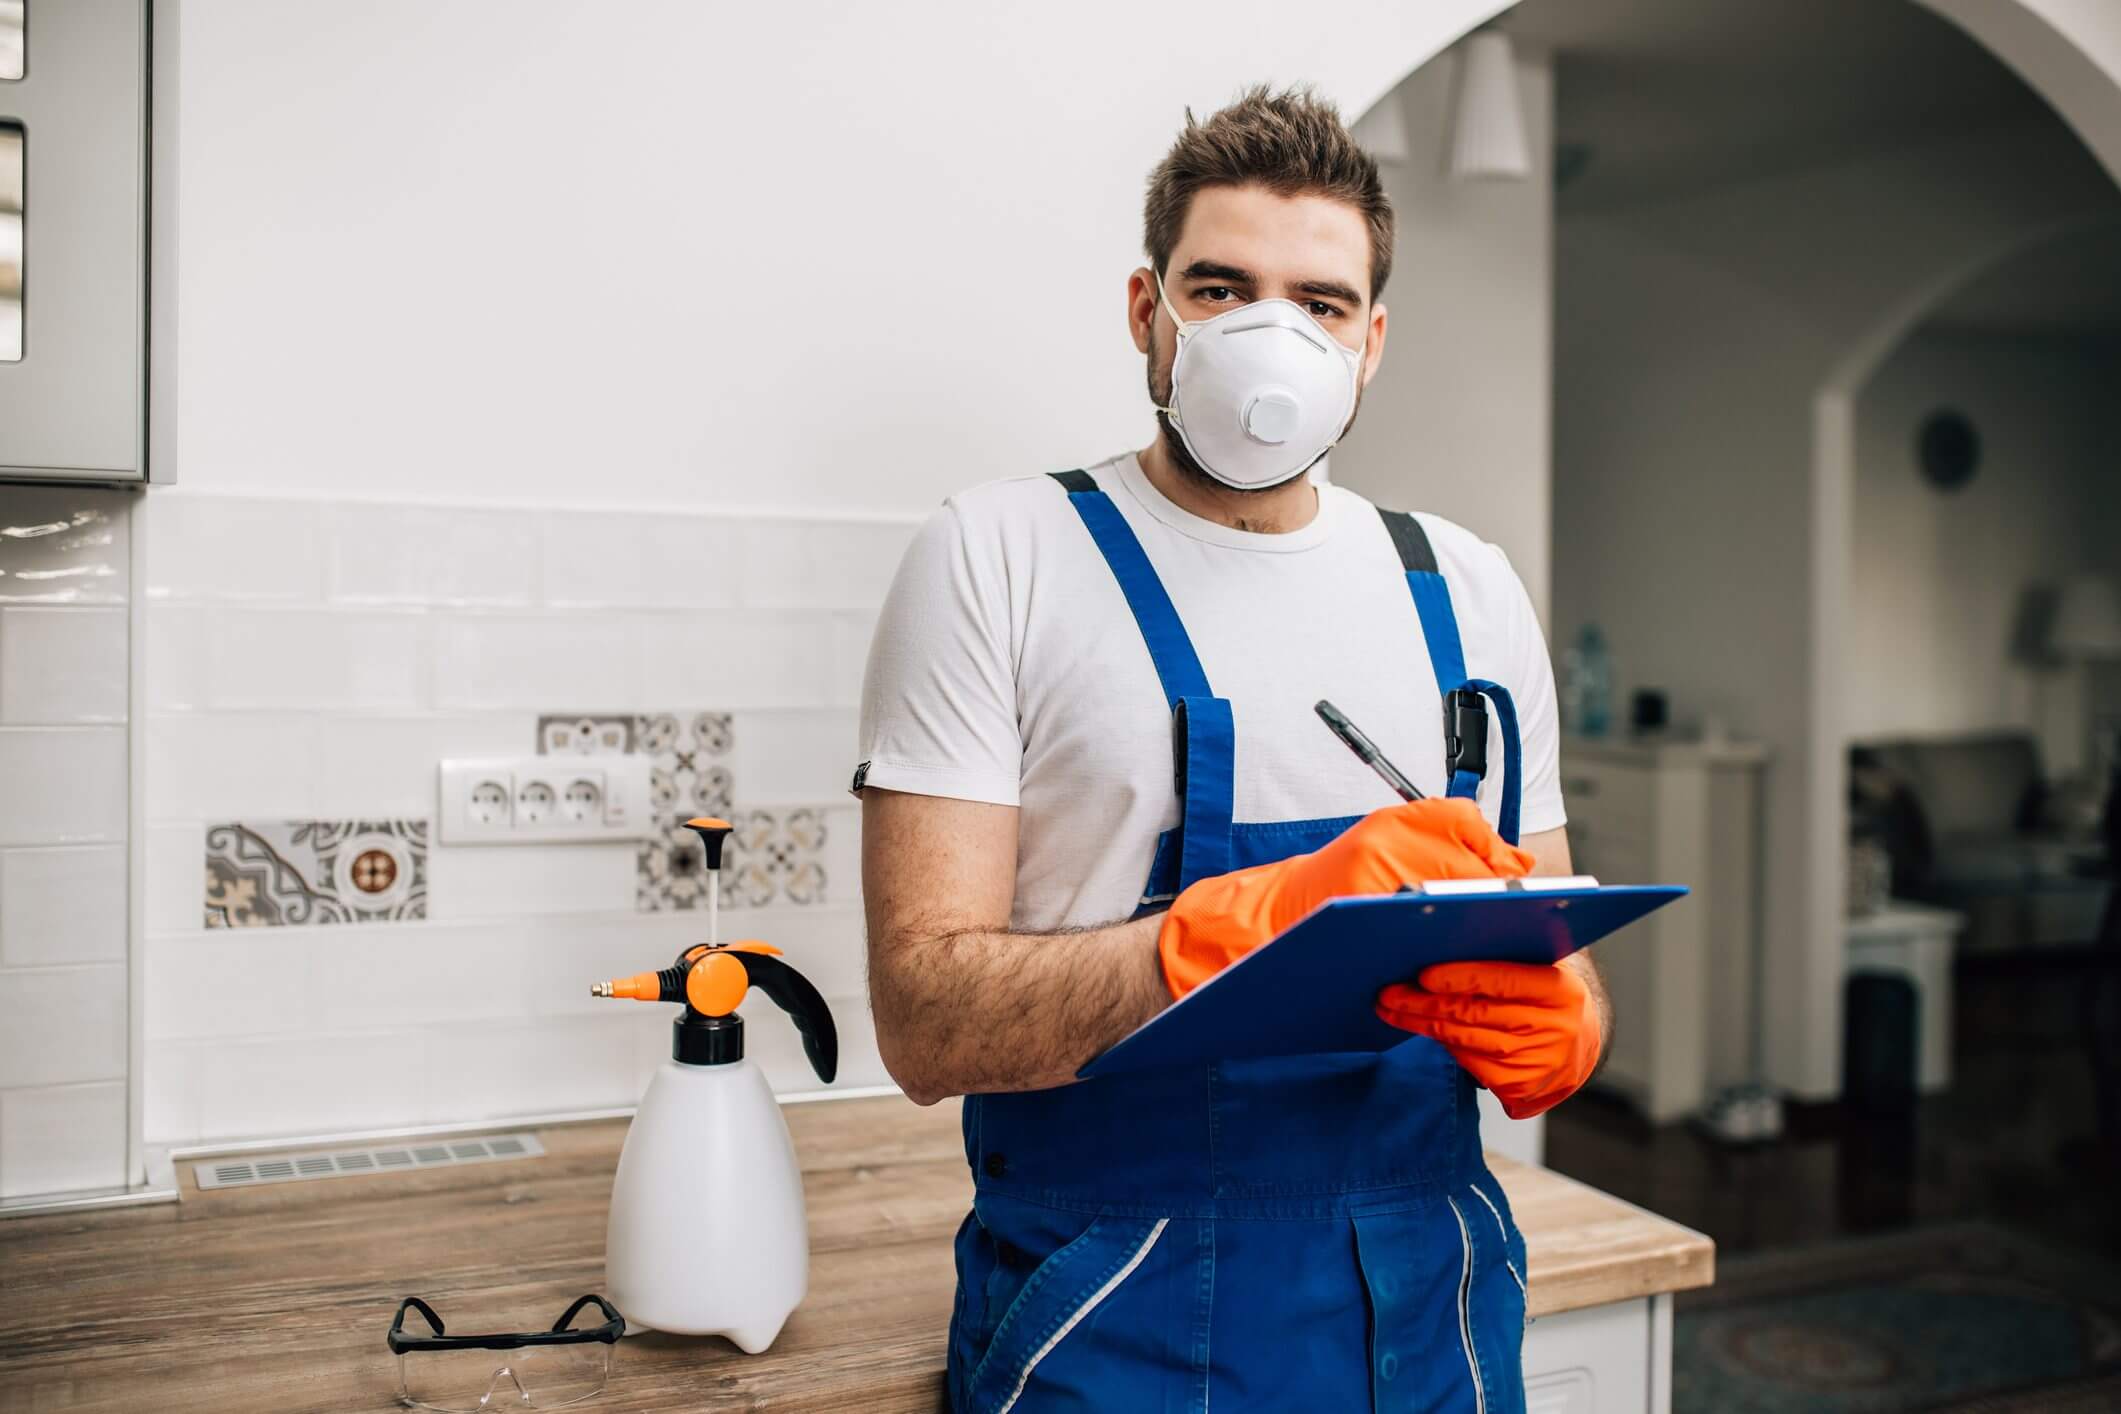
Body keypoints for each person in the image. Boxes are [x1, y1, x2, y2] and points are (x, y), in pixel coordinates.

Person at [856, 85, 1609, 1414]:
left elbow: (1558, 948)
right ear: (1147, 312)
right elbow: (925, 1023)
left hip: (1428, 1308)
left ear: (1369, 342)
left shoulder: (1467, 584)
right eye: (1221, 287)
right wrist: (1235, 933)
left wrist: (1568, 1023)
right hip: (1113, 1315)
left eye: (1318, 304)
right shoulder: (1001, 554)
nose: (1273, 334)